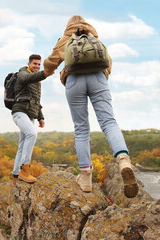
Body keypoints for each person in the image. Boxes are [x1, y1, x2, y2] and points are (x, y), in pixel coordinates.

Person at [43, 16, 138, 198]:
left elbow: (49, 63)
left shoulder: (65, 40)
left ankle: (85, 178)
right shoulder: (95, 39)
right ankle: (124, 160)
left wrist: (48, 71)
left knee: (81, 129)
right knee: (109, 122)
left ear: (67, 27)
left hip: (74, 81)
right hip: (98, 79)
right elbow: (109, 62)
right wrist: (102, 77)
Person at [11, 54, 53, 184]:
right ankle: (25, 170)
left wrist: (40, 117)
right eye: (35, 64)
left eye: (39, 64)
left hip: (30, 115)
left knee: (22, 144)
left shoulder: (36, 82)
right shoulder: (22, 73)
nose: (37, 66)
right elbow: (27, 78)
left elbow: (36, 101)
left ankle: (16, 175)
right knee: (32, 133)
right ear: (29, 64)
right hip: (19, 112)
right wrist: (44, 73)